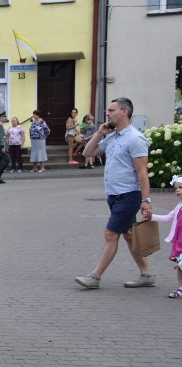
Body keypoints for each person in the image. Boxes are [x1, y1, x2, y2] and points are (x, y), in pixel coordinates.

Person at [76, 97, 155, 289]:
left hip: (129, 195)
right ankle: (146, 274)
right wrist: (100, 132)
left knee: (111, 234)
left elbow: (142, 172)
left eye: (111, 110)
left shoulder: (135, 139)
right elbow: (87, 153)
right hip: (113, 195)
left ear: (124, 112)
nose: (107, 113)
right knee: (128, 234)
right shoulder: (111, 137)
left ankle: (95, 277)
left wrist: (146, 200)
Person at [150, 175, 182, 298]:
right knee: (179, 268)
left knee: (180, 265)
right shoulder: (179, 206)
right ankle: (180, 288)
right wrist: (151, 217)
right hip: (179, 243)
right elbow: (167, 218)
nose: (177, 190)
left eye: (180, 188)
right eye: (176, 189)